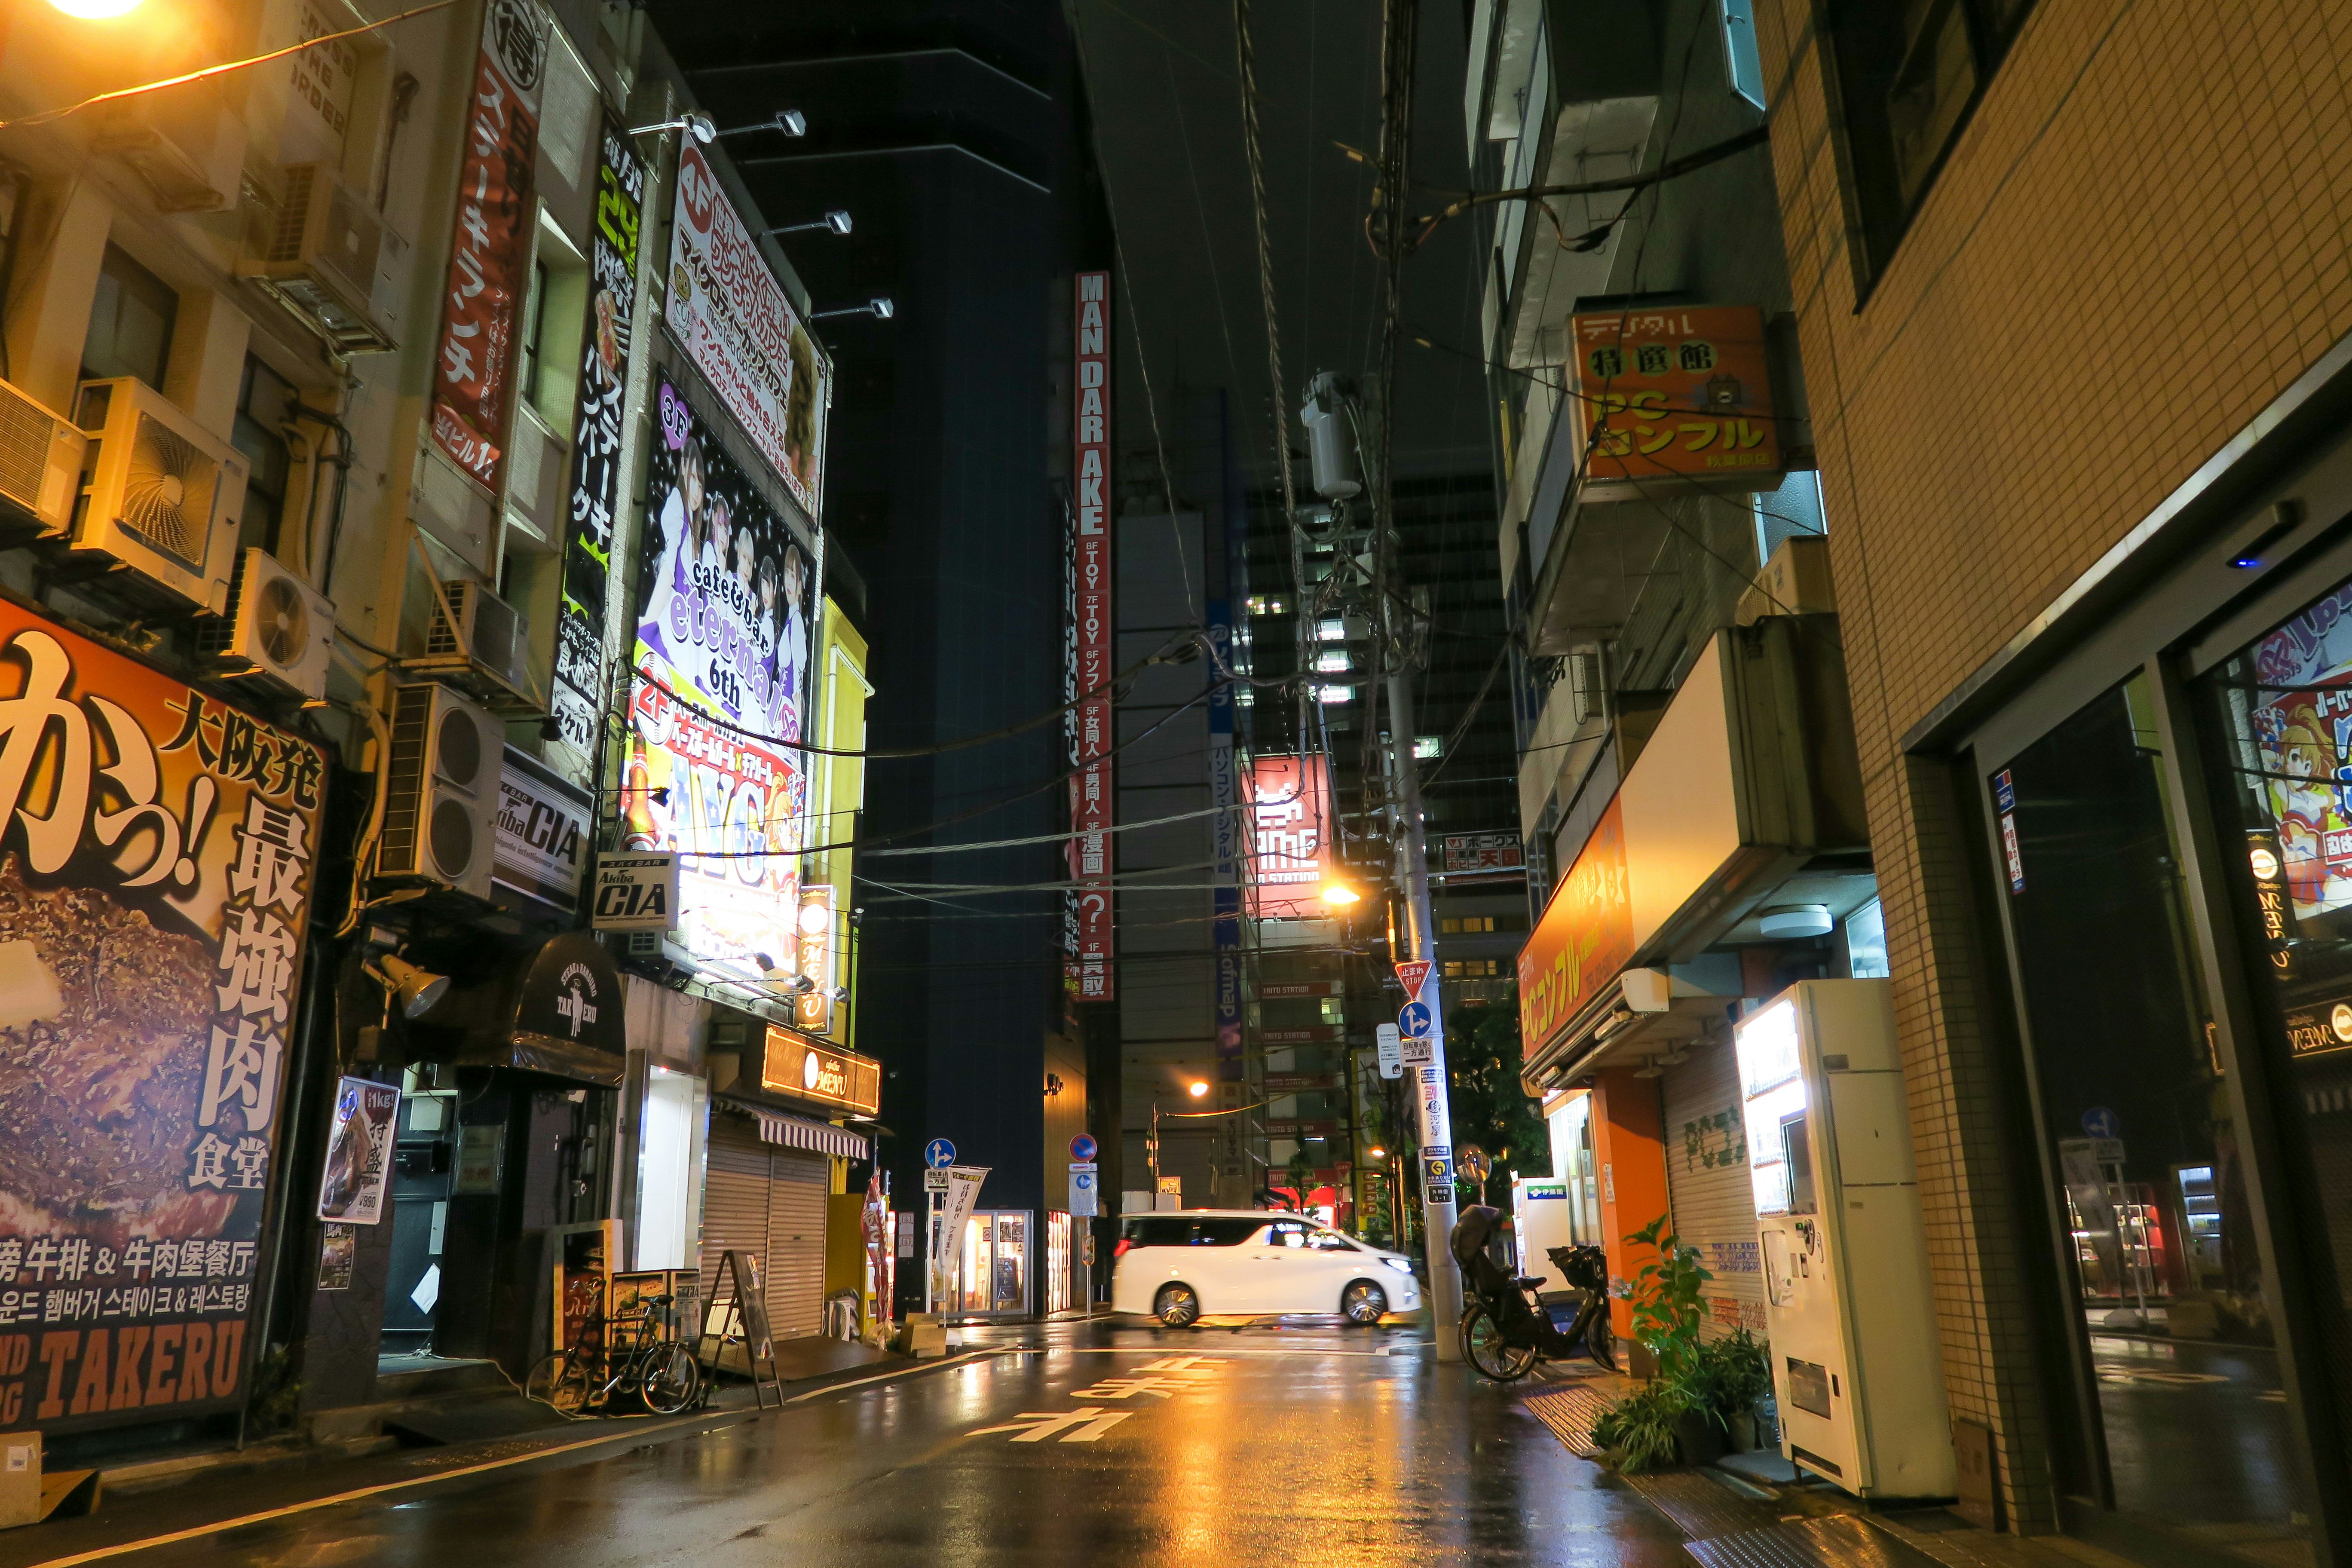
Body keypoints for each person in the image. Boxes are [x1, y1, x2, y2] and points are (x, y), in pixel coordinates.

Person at [1449, 1205, 1578, 1354]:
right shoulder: (1478, 1259)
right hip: (1494, 1285)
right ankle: (1547, 1338)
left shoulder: (1473, 1259)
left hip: (1487, 1285)